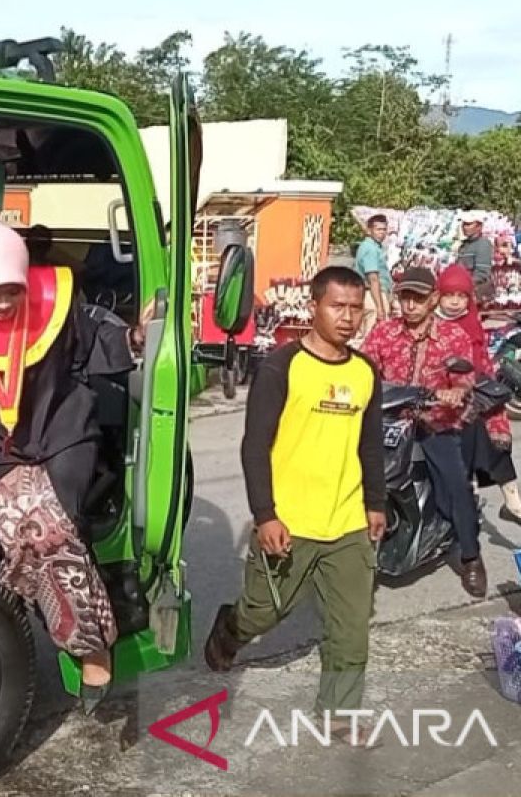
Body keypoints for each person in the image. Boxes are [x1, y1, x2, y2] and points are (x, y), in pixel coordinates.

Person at [0, 214, 132, 714]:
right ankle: (85, 633)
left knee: (57, 527)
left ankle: (91, 646)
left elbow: (91, 344)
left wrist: (132, 342)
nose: (4, 303)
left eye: (12, 289)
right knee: (26, 534)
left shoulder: (56, 299)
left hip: (62, 430)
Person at [205, 266, 386, 745]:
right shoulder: (282, 367)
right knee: (264, 613)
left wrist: (375, 503)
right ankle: (230, 628)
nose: (348, 318)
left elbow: (370, 446)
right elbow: (254, 445)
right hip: (288, 522)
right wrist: (265, 514)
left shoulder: (366, 372)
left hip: (347, 524)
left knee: (351, 630)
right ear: (314, 306)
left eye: (356, 308)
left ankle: (339, 715)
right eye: (338, 307)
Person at [361, 267, 485, 597]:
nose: (410, 305)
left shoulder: (453, 336)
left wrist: (455, 392)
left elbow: (464, 377)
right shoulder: (384, 332)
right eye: (405, 297)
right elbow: (362, 368)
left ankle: (471, 557)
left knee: (455, 485)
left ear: (432, 299)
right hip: (387, 423)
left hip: (434, 424)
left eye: (418, 298)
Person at [435, 266, 521, 525]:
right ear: (438, 296)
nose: (454, 302)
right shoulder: (430, 325)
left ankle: (512, 501)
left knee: (492, 439)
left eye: (461, 296)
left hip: (477, 396)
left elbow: (482, 363)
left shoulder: (472, 323)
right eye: (449, 295)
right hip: (441, 400)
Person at [353, 214, 392, 344]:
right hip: (373, 296)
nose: (382, 233)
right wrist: (379, 307)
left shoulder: (374, 247)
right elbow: (373, 279)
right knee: (372, 337)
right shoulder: (370, 249)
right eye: (378, 229)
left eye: (384, 229)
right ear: (369, 231)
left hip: (370, 295)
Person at [457, 211, 496, 305]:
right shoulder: (464, 245)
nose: (464, 227)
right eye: (464, 224)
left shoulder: (483, 244)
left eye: (468, 224)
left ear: (479, 226)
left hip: (475, 293)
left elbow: (482, 273)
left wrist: (462, 284)